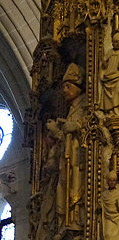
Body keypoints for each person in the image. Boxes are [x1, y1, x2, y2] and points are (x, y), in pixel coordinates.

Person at [47, 64, 86, 229]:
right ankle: (64, 222)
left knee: (75, 186)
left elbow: (88, 126)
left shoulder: (84, 105)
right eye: (63, 87)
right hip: (66, 159)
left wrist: (76, 126)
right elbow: (64, 136)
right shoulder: (70, 109)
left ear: (78, 87)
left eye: (68, 86)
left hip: (77, 158)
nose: (64, 90)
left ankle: (76, 217)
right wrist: (56, 132)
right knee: (62, 187)